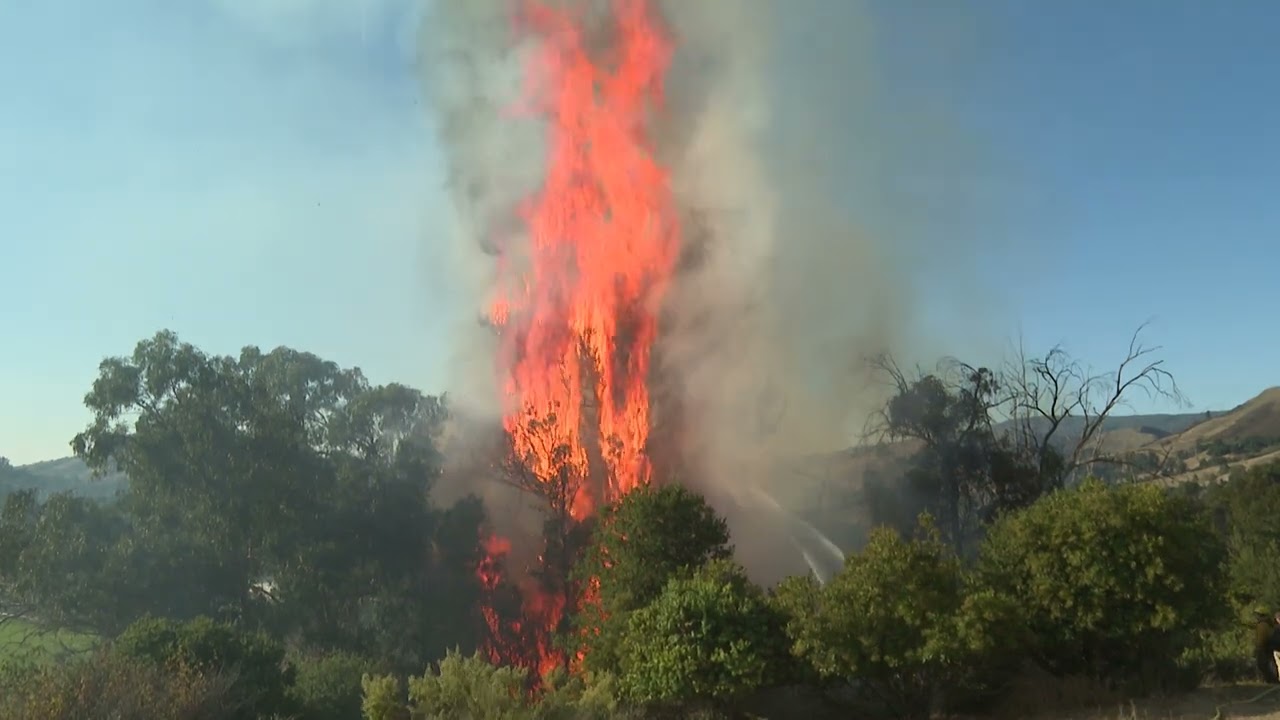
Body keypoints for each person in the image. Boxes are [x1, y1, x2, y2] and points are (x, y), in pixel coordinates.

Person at [1254, 610, 1280, 684]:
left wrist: (1259, 646)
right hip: (1272, 648)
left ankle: (1272, 681)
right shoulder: (1269, 625)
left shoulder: (1263, 625)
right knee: (1271, 665)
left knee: (1263, 664)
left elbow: (1262, 639)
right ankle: (1273, 681)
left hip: (1267, 648)